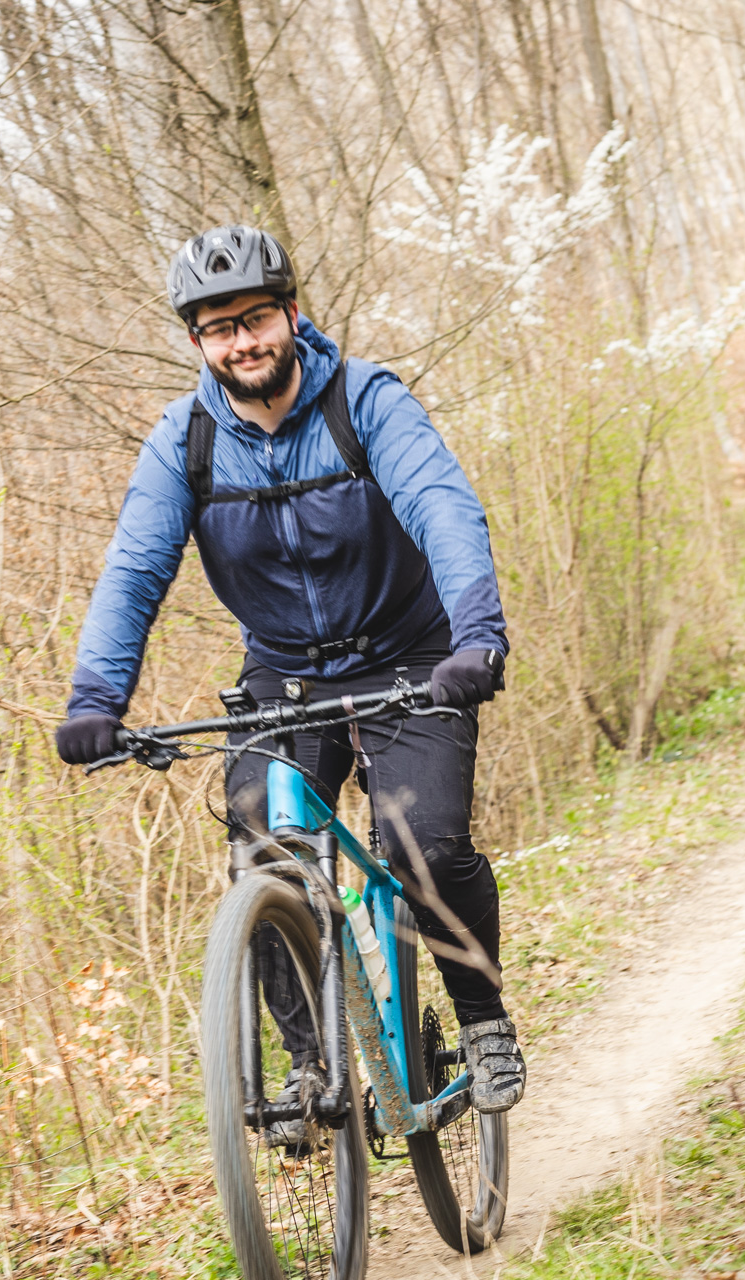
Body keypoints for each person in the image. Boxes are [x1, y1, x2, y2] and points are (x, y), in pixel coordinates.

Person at [55, 225, 525, 1129]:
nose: (242, 342)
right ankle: (312, 1068)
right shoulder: (185, 441)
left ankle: (481, 1018)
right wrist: (95, 699)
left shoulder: (366, 401)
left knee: (422, 845)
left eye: (256, 319)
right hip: (285, 677)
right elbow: (134, 571)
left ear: (292, 315)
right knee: (262, 847)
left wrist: (476, 638)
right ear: (198, 341)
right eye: (219, 328)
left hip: (412, 654)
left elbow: (443, 508)